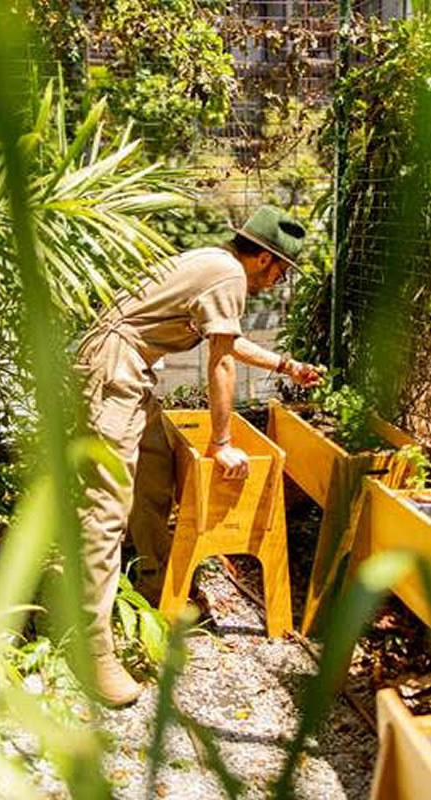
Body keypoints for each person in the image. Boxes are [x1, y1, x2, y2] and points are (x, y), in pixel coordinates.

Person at [75, 204, 323, 706]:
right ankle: (90, 647)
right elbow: (222, 362)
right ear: (265, 259)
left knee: (154, 468)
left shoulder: (214, 263)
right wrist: (222, 442)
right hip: (113, 371)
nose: (279, 281)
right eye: (282, 271)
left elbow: (227, 340)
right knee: (105, 508)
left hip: (126, 369)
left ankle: (154, 582)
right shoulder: (228, 275)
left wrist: (286, 365)